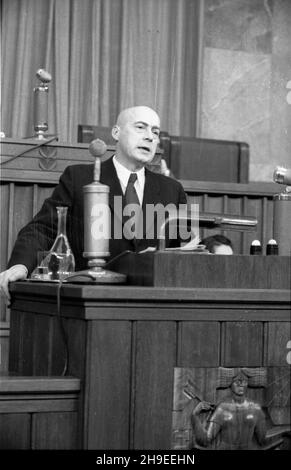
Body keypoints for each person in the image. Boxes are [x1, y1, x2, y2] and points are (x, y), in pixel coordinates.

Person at [0, 106, 187, 301]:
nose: (150, 137)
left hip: (152, 304)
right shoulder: (79, 178)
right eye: (141, 127)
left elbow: (186, 249)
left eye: (155, 132)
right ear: (116, 132)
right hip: (92, 301)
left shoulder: (172, 190)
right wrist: (20, 265)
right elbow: (42, 229)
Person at [191, 367, 269, 450]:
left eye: (244, 381)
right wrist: (194, 415)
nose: (241, 384)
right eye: (237, 381)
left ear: (248, 384)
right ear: (230, 384)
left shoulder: (256, 408)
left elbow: (262, 440)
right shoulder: (222, 409)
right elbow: (205, 440)